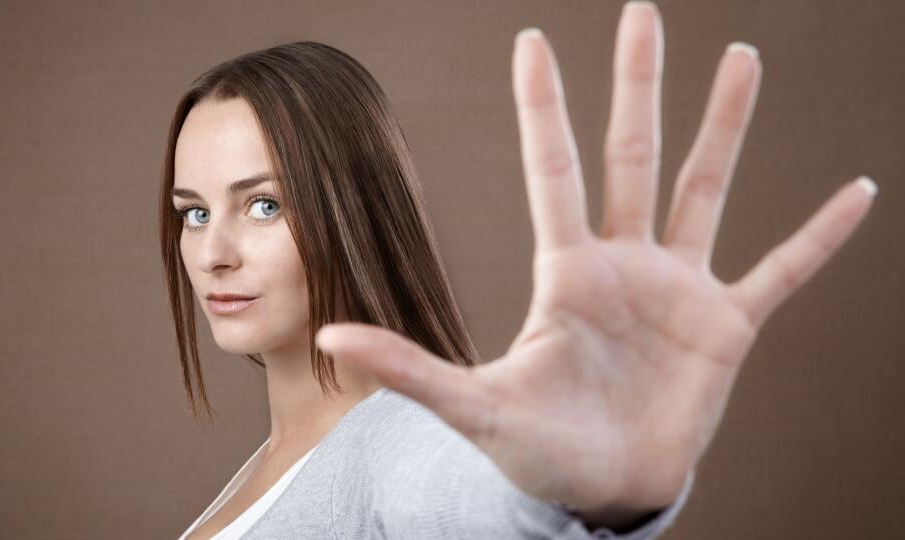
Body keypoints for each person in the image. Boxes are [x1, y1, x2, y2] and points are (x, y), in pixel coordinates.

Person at [161, 1, 877, 538]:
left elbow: (477, 504)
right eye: (193, 212)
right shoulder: (281, 456)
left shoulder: (398, 440)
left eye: (262, 205)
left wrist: (587, 491)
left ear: (355, 210)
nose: (213, 251)